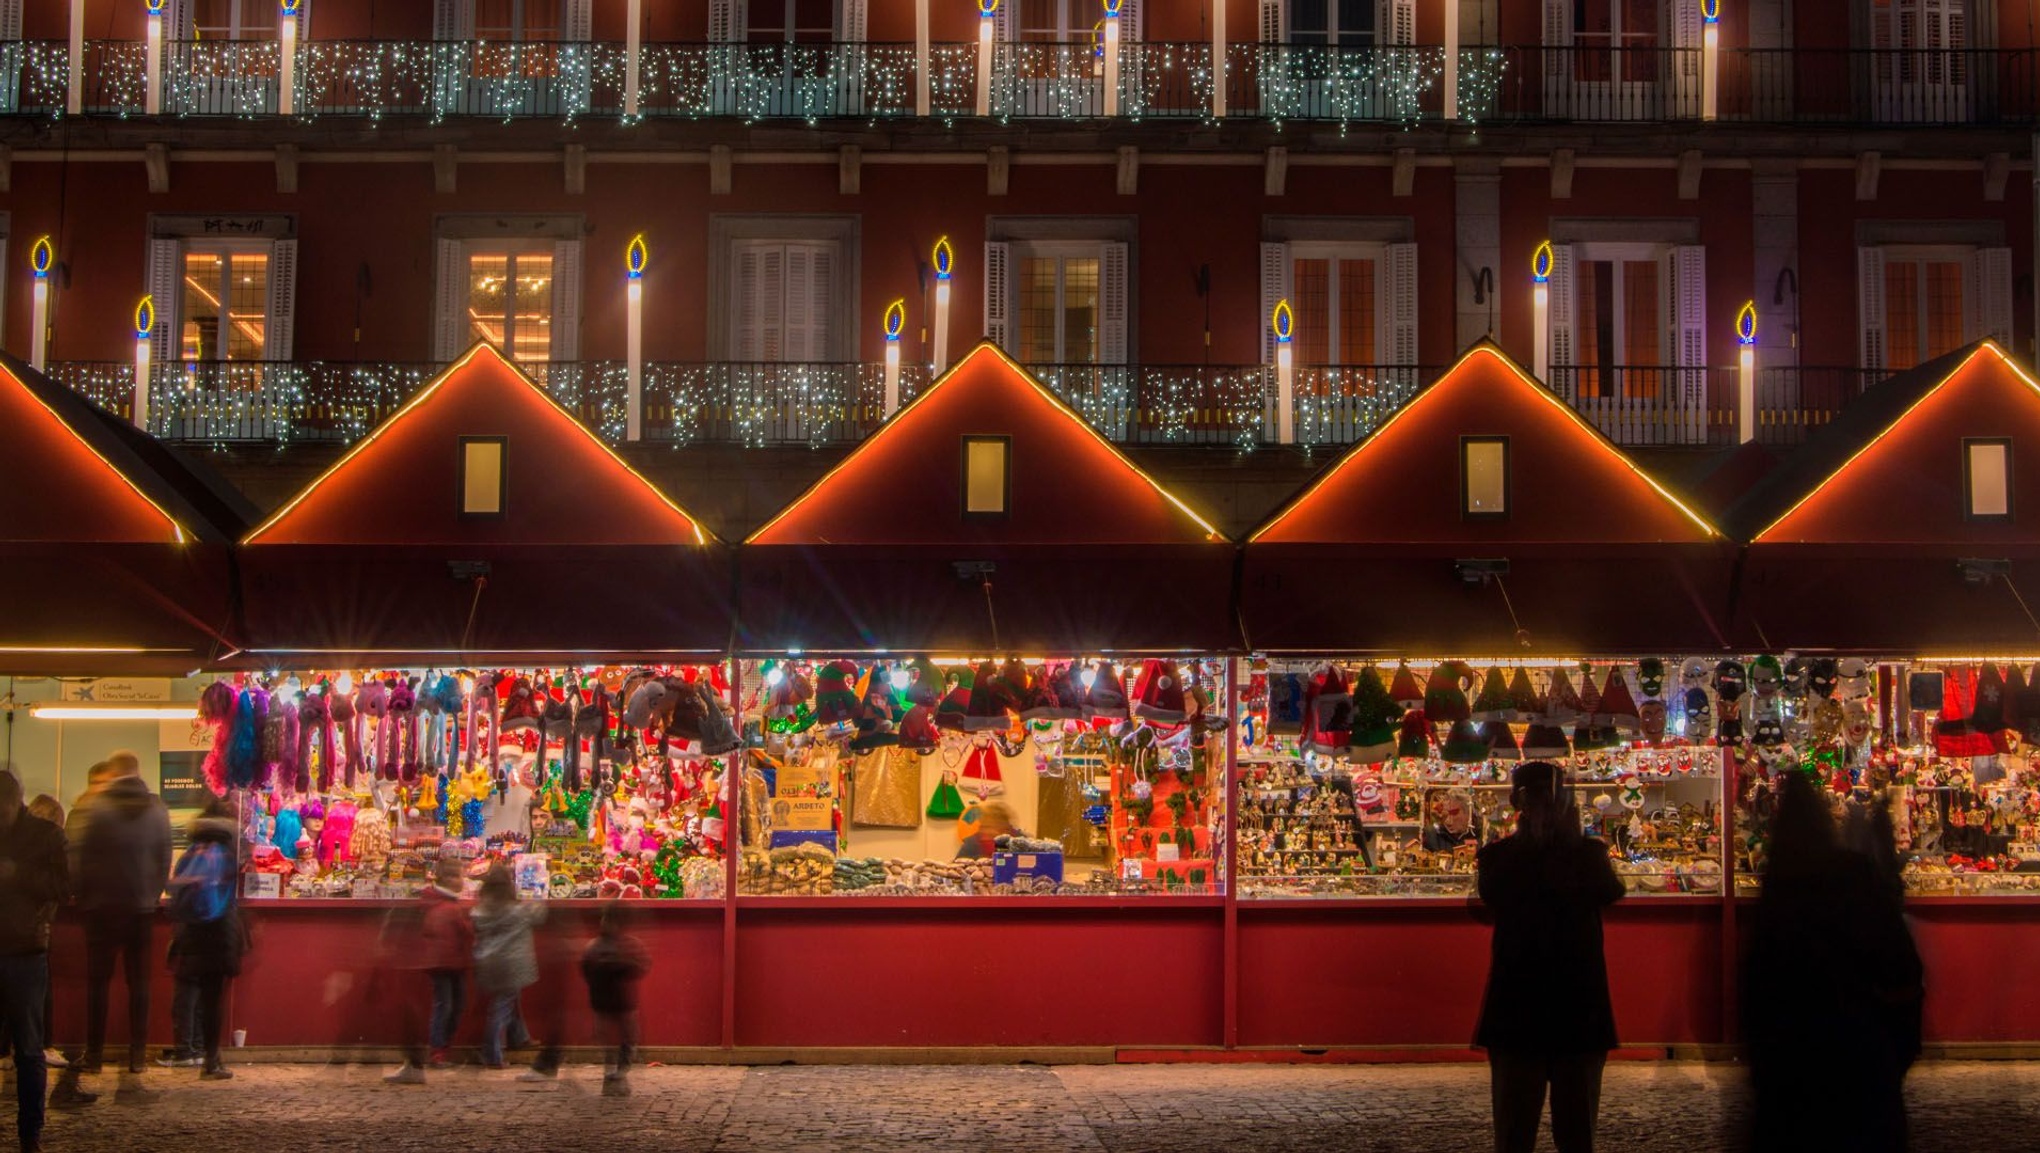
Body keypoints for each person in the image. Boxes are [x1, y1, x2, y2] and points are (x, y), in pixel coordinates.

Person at [1743, 772, 1923, 1153]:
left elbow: (1755, 991)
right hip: (1858, 1056)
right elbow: (1901, 966)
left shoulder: (1776, 893)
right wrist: (1895, 1048)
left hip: (1791, 1071)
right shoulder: (1852, 877)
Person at [1474, 761, 1624, 1153]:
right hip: (1555, 1008)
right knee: (1532, 1131)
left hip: (1540, 1009)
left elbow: (1608, 889)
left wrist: (1561, 842)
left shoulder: (1577, 855)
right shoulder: (1509, 858)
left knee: (1545, 1131)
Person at [68, 750, 171, 1078]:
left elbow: (79, 856)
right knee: (139, 984)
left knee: (98, 984)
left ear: (113, 773)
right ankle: (137, 1055)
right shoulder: (157, 811)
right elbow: (164, 857)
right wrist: (151, 893)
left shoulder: (95, 808)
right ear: (137, 772)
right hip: (140, 908)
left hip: (101, 909)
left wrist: (84, 894)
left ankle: (95, 1055)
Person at [0, 769, 72, 1152]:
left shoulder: (46, 837)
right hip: (21, 948)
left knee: (29, 1049)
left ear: (16, 802)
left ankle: (30, 1134)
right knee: (28, 1049)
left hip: (25, 950)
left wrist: (18, 874)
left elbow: (64, 886)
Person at [164, 800, 244, 1081]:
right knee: (212, 999)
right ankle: (210, 1059)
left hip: (189, 931)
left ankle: (188, 1048)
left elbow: (174, 887)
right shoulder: (227, 849)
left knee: (187, 990)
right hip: (218, 930)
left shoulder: (191, 848)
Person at [471, 862, 544, 1069]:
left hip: (487, 962)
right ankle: (492, 1055)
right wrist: (536, 895)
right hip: (511, 964)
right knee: (502, 1007)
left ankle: (519, 1037)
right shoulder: (517, 911)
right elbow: (539, 914)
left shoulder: (479, 912)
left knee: (510, 1000)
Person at [579, 902, 649, 1097]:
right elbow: (642, 966)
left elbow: (585, 969)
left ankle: (611, 1075)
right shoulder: (630, 945)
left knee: (608, 1039)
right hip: (624, 1001)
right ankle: (619, 1076)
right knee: (628, 1038)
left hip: (600, 1000)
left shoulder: (593, 946)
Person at [20, 797, 64, 1075]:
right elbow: (58, 887)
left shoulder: (16, 844)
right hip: (32, 932)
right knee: (38, 991)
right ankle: (39, 1046)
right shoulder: (49, 847)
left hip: (14, 931)